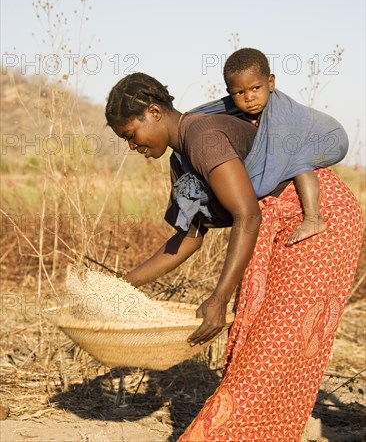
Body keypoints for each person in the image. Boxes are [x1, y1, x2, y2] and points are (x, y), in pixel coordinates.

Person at [105, 72, 363, 441]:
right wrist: (118, 285)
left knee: (273, 346)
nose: (132, 145)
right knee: (253, 342)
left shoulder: (203, 137)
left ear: (154, 112)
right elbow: (189, 237)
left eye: (131, 134)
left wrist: (219, 297)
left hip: (317, 218)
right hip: (272, 222)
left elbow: (247, 215)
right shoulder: (181, 160)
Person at [221, 47, 349, 245]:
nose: (249, 97)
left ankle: (314, 218)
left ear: (270, 82)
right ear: (230, 93)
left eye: (256, 88)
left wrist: (239, 191)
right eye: (239, 92)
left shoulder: (280, 115)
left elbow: (267, 177)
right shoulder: (251, 111)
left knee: (298, 161)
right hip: (310, 136)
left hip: (330, 138)